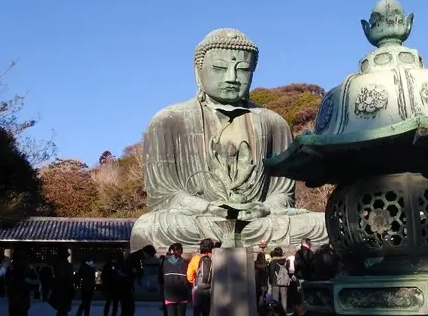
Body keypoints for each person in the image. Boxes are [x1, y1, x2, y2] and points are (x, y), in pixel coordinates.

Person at [130, 28, 328, 251]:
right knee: (150, 227)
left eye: (242, 69)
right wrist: (208, 208)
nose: (231, 78)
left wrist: (262, 209)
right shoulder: (169, 120)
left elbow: (282, 194)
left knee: (320, 224)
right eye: (219, 68)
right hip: (201, 220)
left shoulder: (274, 123)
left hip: (259, 222)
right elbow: (164, 195)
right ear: (198, 71)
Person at [187, 239, 213, 316]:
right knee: (207, 311)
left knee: (197, 310)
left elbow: (189, 275)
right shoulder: (214, 258)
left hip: (198, 288)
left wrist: (194, 281)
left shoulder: (196, 258)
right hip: (210, 289)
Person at [161, 243, 189, 316]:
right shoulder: (184, 263)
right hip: (181, 296)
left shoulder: (165, 263)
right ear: (180, 251)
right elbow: (185, 280)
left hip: (169, 295)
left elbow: (162, 278)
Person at [49, 247, 74, 316]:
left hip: (61, 287)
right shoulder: (65, 265)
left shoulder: (58, 264)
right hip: (64, 288)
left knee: (62, 308)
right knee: (63, 308)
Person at [268, 247, 290, 312]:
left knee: (275, 299)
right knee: (284, 298)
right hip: (284, 282)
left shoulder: (273, 262)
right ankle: (284, 312)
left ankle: (277, 312)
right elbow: (287, 270)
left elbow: (271, 272)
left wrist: (270, 281)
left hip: (275, 282)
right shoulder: (285, 260)